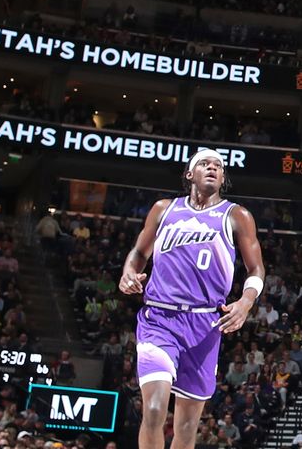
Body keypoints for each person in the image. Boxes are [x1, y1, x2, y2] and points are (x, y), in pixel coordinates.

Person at [119, 150, 266, 449]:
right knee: (155, 409)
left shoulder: (237, 215)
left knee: (186, 429)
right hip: (159, 319)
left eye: (218, 166)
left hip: (205, 324)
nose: (212, 168)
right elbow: (139, 253)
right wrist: (129, 271)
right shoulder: (164, 209)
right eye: (204, 164)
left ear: (223, 178)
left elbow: (256, 268)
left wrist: (246, 302)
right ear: (190, 174)